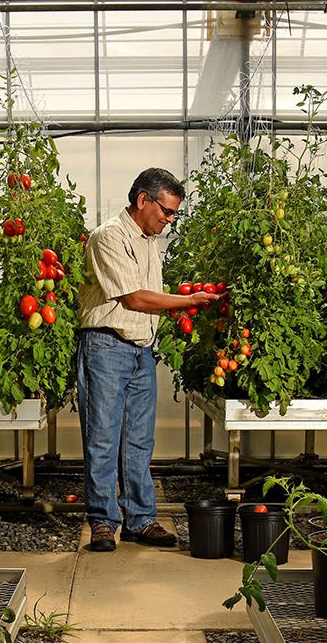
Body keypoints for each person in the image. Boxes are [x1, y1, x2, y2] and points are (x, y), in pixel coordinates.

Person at [78, 168, 222, 552]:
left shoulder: (147, 241)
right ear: (143, 200)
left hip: (141, 350)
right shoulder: (108, 237)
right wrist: (189, 301)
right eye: (167, 211)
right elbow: (134, 298)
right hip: (106, 347)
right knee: (103, 438)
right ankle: (103, 522)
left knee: (139, 440)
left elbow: (149, 299)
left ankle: (140, 520)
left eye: (174, 213)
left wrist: (185, 298)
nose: (170, 220)